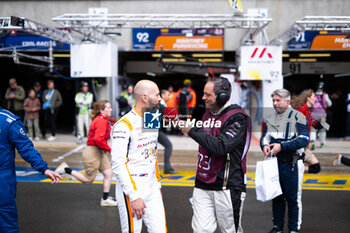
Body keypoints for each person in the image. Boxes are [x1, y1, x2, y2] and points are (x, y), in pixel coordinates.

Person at [178, 77, 252, 233]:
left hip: (227, 186)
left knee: (230, 230)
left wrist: (191, 130)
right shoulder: (206, 113)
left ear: (222, 96)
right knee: (200, 230)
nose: (203, 98)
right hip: (202, 184)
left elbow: (221, 146)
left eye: (207, 95)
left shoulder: (237, 117)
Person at [111, 80, 166, 233]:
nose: (160, 98)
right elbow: (118, 164)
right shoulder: (123, 125)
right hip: (132, 188)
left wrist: (157, 185)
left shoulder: (152, 117)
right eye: (157, 95)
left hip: (152, 187)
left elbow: (152, 153)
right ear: (144, 98)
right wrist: (134, 196)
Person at [0, 106, 62, 232]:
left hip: (2, 181)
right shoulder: (9, 121)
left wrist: (44, 168)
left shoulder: (9, 121)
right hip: (4, 181)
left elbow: (26, 148)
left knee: (6, 223)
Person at [260, 89, 309, 233]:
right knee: (276, 196)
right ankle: (278, 227)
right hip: (275, 163)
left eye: (278, 100)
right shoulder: (270, 117)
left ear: (287, 101)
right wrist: (264, 146)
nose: (275, 103)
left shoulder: (299, 116)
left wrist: (282, 146)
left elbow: (303, 140)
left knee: (293, 199)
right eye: (273, 100)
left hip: (292, 163)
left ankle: (294, 229)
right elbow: (265, 137)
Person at [54, 100, 117, 207]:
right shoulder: (101, 121)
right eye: (108, 107)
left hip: (99, 151)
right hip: (92, 152)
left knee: (108, 173)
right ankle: (66, 169)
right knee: (88, 180)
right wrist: (111, 150)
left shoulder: (102, 120)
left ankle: (105, 199)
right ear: (102, 110)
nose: (111, 109)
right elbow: (98, 139)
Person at [291, 89, 323, 174]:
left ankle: (295, 168)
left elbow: (312, 122)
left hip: (304, 146)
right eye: (314, 97)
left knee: (316, 168)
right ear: (308, 98)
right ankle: (293, 169)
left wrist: (320, 125)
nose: (316, 99)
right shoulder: (302, 109)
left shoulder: (307, 110)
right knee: (316, 167)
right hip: (299, 146)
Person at [159, 89, 176, 174]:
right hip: (155, 131)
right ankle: (167, 168)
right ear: (162, 95)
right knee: (168, 145)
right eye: (167, 94)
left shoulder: (163, 105)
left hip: (156, 130)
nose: (169, 97)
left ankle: (167, 167)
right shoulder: (161, 105)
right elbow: (163, 119)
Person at [310, 81, 332, 149]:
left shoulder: (313, 95)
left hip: (314, 114)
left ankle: (312, 142)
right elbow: (330, 104)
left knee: (313, 128)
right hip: (322, 114)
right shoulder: (325, 95)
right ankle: (322, 144)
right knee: (322, 129)